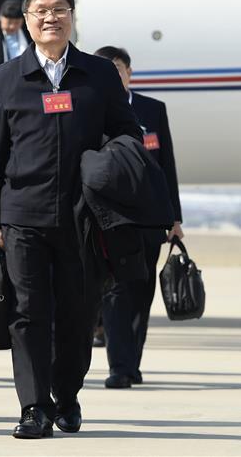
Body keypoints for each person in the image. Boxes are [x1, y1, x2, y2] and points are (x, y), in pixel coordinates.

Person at [0, 0, 141, 439]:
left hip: (82, 216)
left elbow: (127, 132)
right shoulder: (5, 78)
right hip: (22, 214)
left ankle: (66, 396)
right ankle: (33, 407)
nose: (51, 18)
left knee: (77, 312)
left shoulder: (98, 74)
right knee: (27, 312)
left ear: (72, 17)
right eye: (41, 11)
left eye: (59, 10)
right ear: (26, 22)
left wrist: (107, 167)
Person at [94, 45, 183, 389]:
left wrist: (174, 218)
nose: (114, 75)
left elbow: (167, 167)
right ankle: (119, 366)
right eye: (107, 69)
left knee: (141, 294)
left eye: (118, 69)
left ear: (129, 73)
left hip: (149, 218)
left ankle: (132, 362)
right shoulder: (91, 109)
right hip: (110, 218)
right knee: (115, 292)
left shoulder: (152, 110)